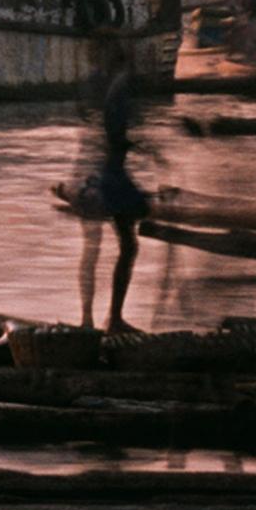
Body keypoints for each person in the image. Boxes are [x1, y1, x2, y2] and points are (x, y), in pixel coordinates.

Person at [70, 47, 149, 334]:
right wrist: (136, 146)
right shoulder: (117, 87)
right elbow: (113, 134)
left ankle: (91, 320)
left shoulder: (95, 84)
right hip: (106, 177)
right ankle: (106, 319)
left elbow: (93, 124)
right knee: (122, 245)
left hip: (98, 172)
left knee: (102, 247)